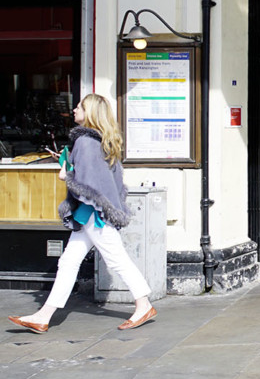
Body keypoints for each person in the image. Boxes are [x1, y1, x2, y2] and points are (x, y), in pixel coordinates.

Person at [9, 94, 155, 333]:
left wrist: (66, 174)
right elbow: (105, 180)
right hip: (94, 212)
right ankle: (43, 316)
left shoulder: (85, 142)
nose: (74, 109)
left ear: (90, 113)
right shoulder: (103, 141)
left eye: (80, 106)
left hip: (93, 213)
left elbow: (85, 183)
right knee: (69, 261)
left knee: (116, 259)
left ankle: (144, 304)